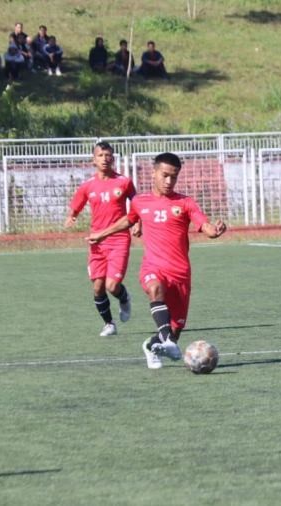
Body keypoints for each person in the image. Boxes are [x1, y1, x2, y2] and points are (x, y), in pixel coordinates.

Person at [88, 152, 227, 369]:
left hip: (180, 273)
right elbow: (128, 220)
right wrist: (102, 234)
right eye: (164, 175)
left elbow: (205, 226)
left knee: (176, 328)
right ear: (154, 173)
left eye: (174, 177)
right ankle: (168, 341)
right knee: (154, 288)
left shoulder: (186, 203)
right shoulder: (139, 201)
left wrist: (214, 230)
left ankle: (153, 345)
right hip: (153, 267)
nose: (169, 181)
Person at [65, 142, 138, 337]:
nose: (104, 158)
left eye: (108, 155)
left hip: (119, 239)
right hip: (96, 241)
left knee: (111, 285)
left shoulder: (124, 182)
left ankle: (124, 298)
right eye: (100, 155)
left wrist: (138, 222)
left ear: (113, 158)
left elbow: (137, 202)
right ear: (93, 159)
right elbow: (77, 203)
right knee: (97, 287)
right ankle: (109, 324)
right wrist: (72, 215)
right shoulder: (88, 186)